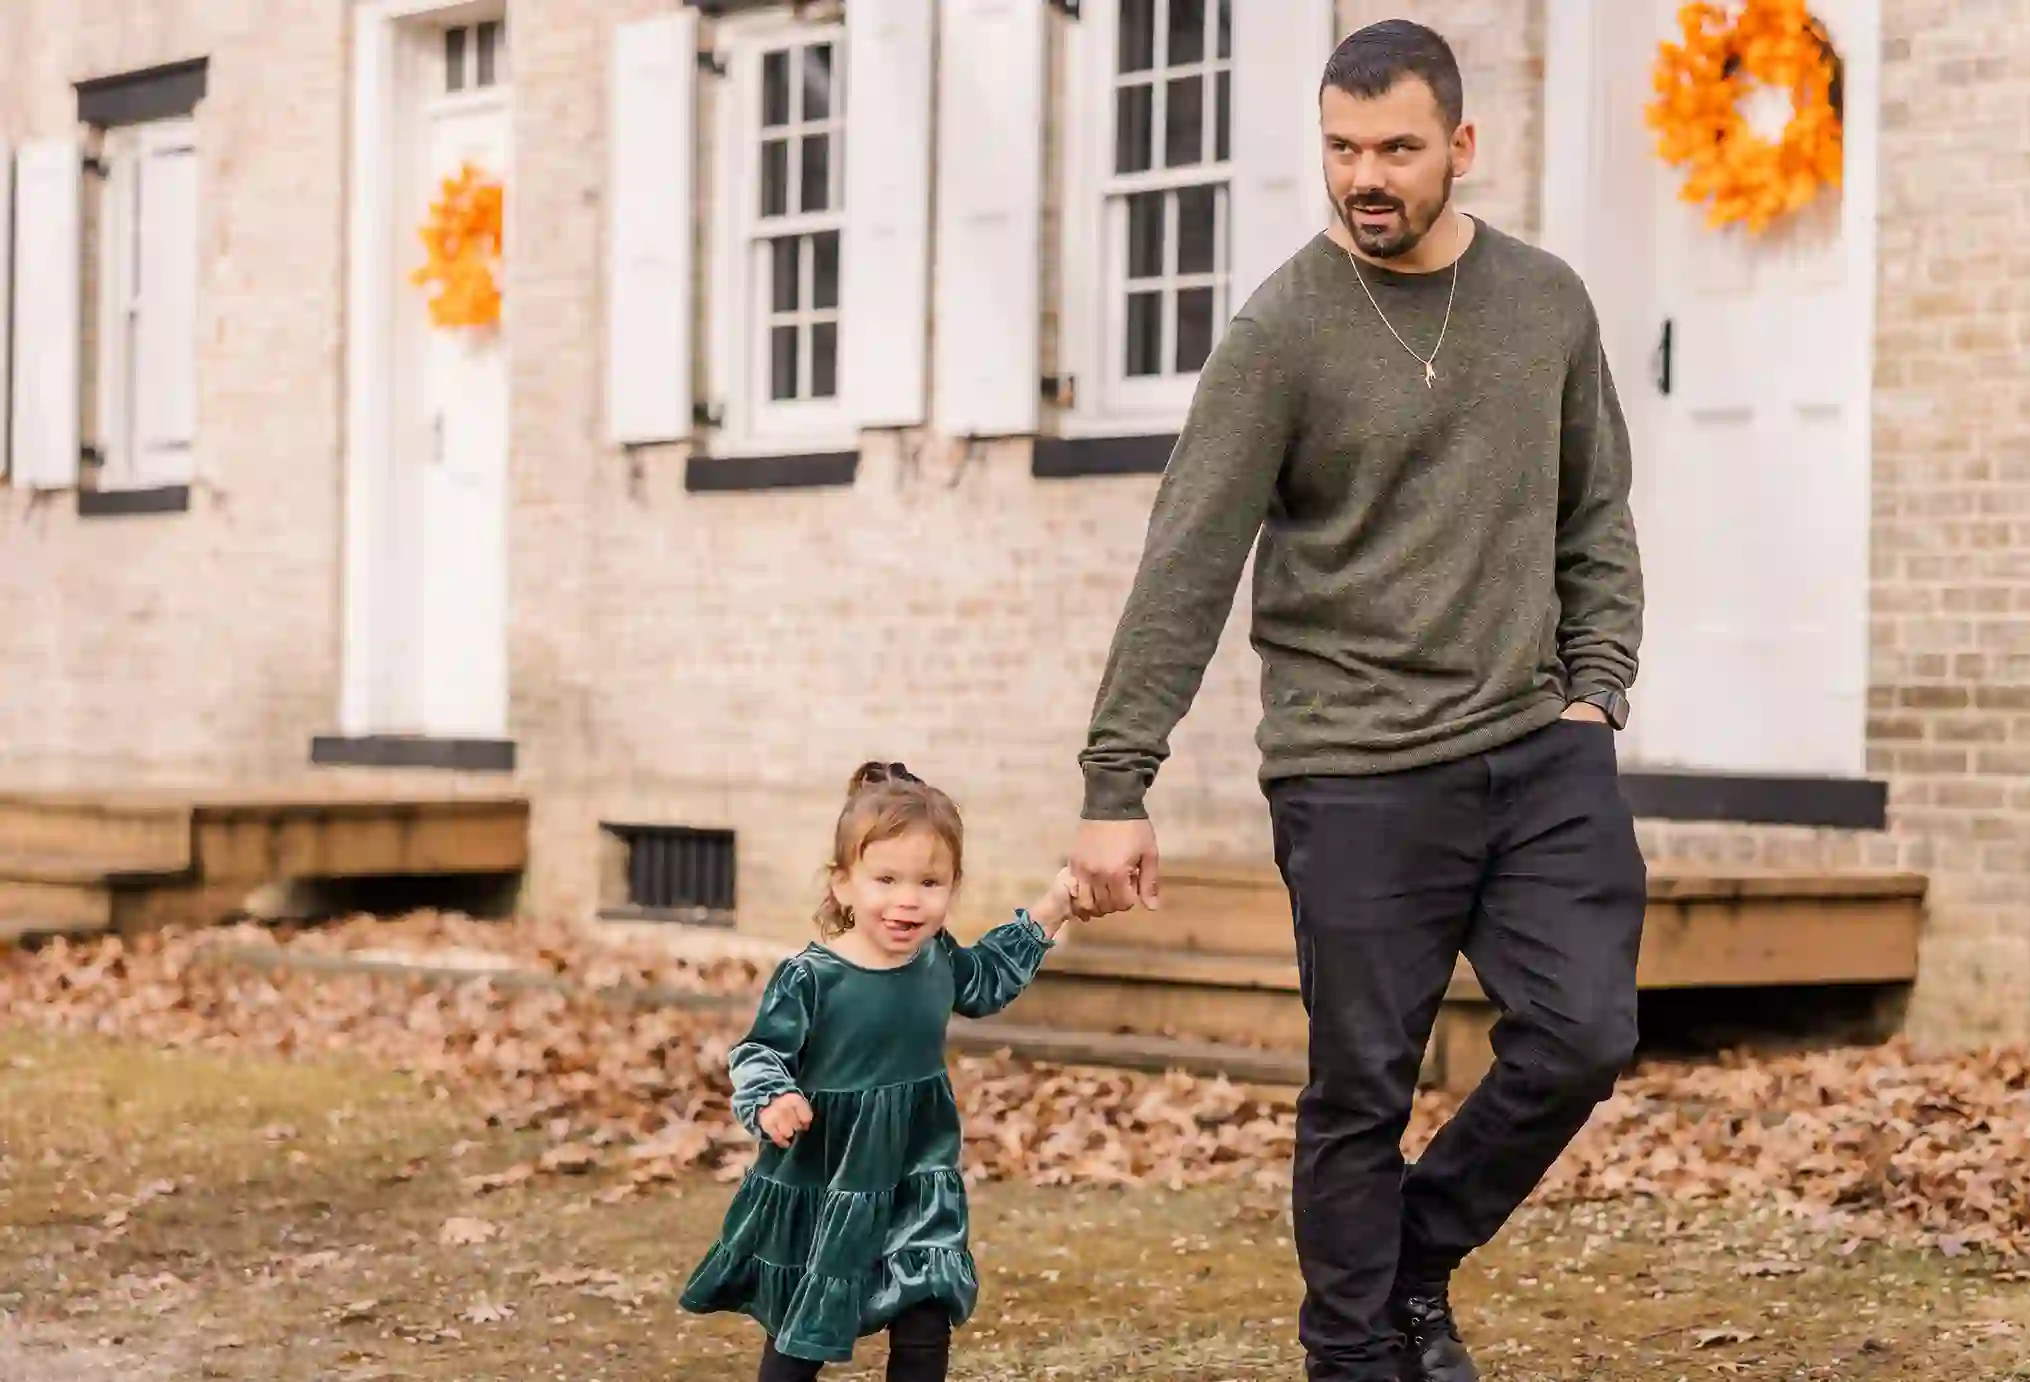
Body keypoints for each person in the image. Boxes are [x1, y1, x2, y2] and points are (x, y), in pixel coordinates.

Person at [1065, 18, 1647, 1382]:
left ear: (1460, 144)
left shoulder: (1547, 301)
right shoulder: (1280, 329)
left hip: (1535, 745)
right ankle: (1357, 1351)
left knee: (1583, 1033)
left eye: (1392, 147)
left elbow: (1596, 511)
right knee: (1358, 1091)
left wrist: (1596, 689)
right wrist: (1115, 780)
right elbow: (1186, 560)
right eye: (1339, 148)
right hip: (1355, 768)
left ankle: (1410, 1259)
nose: (1362, 177)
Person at [680, 761, 1080, 1382]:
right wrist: (772, 1096)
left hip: (917, 1167)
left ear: (952, 887)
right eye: (886, 878)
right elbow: (760, 1050)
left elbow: (987, 980)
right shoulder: (813, 977)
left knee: (926, 1304)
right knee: (806, 1324)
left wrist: (1054, 906)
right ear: (843, 885)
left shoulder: (937, 957)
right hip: (829, 1171)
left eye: (929, 882)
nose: (907, 900)